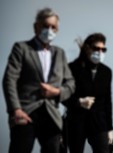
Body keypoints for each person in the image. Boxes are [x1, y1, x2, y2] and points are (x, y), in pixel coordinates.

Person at [2, 7, 75, 153]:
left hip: (51, 115)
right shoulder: (21, 48)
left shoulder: (60, 53)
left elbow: (71, 84)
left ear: (57, 30)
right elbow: (9, 79)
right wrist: (16, 109)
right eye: (45, 26)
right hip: (25, 112)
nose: (49, 30)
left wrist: (56, 91)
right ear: (36, 27)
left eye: (53, 27)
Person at [65, 33, 113, 153]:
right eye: (96, 48)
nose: (100, 52)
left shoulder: (106, 72)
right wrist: (79, 102)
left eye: (103, 49)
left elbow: (107, 101)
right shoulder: (72, 68)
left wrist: (110, 129)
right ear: (87, 48)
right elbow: (63, 96)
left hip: (99, 123)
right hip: (76, 121)